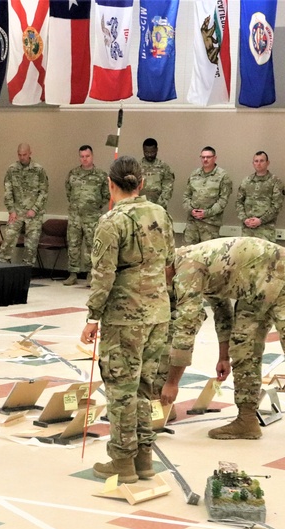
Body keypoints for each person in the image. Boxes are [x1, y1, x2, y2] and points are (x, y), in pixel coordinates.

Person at [160, 237, 285, 452]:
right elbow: (222, 311)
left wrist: (172, 383)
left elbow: (186, 329)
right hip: (255, 289)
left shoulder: (187, 270)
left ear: (163, 265)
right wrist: (224, 356)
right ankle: (246, 421)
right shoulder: (189, 267)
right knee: (243, 347)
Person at [80, 155, 174, 483]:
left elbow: (103, 275)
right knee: (146, 389)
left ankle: (122, 461)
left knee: (121, 390)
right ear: (142, 184)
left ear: (110, 184)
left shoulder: (111, 222)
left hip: (124, 318)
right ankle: (144, 459)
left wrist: (93, 317)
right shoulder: (161, 214)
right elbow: (170, 261)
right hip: (158, 314)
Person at [0, 143, 49, 267]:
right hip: (17, 211)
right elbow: (8, 191)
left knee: (31, 244)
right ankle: (2, 266)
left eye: (24, 155)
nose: (22, 157)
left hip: (34, 214)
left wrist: (34, 209)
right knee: (8, 238)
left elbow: (44, 192)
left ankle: (27, 269)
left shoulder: (38, 170)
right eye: (19, 155)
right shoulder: (12, 169)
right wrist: (11, 210)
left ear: (30, 153)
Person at [63, 145, 110, 286]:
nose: (84, 159)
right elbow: (68, 192)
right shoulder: (73, 174)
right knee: (73, 245)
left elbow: (107, 195)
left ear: (92, 156)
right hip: (75, 216)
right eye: (82, 156)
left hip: (92, 217)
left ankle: (91, 274)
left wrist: (95, 206)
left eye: (87, 156)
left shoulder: (100, 175)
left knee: (92, 246)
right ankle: (73, 274)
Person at [182, 146, 232, 244]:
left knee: (207, 256)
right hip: (192, 223)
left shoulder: (223, 176)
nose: (205, 159)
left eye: (208, 157)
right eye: (203, 157)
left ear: (215, 158)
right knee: (188, 253)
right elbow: (186, 196)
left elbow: (223, 200)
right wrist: (191, 210)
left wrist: (206, 213)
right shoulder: (194, 174)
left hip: (210, 224)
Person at [235, 151, 285, 243]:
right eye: (256, 161)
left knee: (265, 257)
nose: (258, 164)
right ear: (253, 163)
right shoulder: (247, 181)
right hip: (247, 230)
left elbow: (277, 206)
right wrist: (244, 219)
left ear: (267, 163)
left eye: (261, 161)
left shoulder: (275, 182)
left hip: (266, 230)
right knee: (247, 257)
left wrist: (261, 220)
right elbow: (239, 202)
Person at [139, 138, 175, 208]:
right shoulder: (136, 167)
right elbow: (132, 189)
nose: (149, 155)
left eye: (152, 152)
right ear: (143, 150)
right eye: (146, 152)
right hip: (140, 207)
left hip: (159, 207)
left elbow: (168, 189)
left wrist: (158, 206)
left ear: (156, 150)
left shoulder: (164, 167)